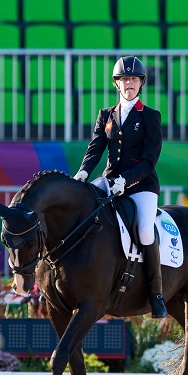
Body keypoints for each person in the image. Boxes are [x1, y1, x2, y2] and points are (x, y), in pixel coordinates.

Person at [72, 56, 167, 319]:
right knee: (87, 215)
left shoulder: (150, 116)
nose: (129, 83)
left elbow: (150, 161)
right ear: (117, 84)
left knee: (146, 230)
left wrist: (128, 180)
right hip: (109, 181)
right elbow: (95, 149)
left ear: (141, 83)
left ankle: (156, 294)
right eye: (125, 79)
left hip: (141, 186)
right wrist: (83, 173)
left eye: (134, 79)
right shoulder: (106, 115)